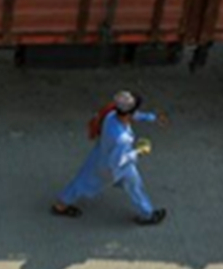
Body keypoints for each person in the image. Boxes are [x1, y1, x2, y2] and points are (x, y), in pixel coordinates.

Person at [51, 90, 168, 226]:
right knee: (134, 185)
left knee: (82, 181)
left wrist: (152, 118)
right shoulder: (122, 139)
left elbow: (133, 116)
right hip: (113, 167)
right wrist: (138, 152)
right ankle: (147, 214)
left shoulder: (111, 116)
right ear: (129, 113)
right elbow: (118, 161)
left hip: (100, 155)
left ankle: (61, 205)